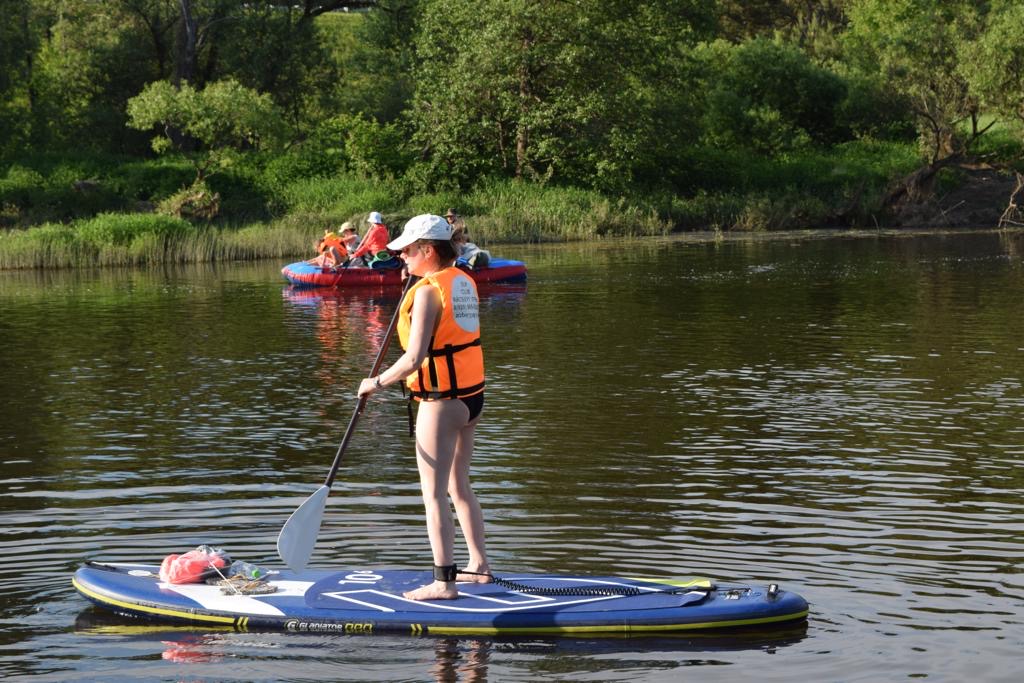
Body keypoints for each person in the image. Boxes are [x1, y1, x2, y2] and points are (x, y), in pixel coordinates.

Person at [357, 214, 491, 601]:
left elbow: (413, 359)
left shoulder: (430, 291)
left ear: (428, 251)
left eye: (408, 251)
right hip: (471, 396)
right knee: (458, 485)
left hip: (442, 402)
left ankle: (444, 582)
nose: (402, 258)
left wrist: (375, 383)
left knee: (433, 494)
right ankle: (479, 566)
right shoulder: (463, 279)